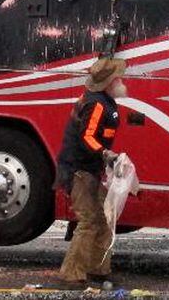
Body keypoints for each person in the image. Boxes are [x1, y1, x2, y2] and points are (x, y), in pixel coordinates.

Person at [56, 57, 128, 284]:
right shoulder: (97, 104)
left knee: (105, 219)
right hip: (79, 170)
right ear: (109, 82)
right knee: (89, 220)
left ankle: (98, 268)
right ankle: (71, 272)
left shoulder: (102, 100)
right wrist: (105, 154)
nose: (122, 80)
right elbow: (87, 137)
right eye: (118, 77)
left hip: (89, 168)